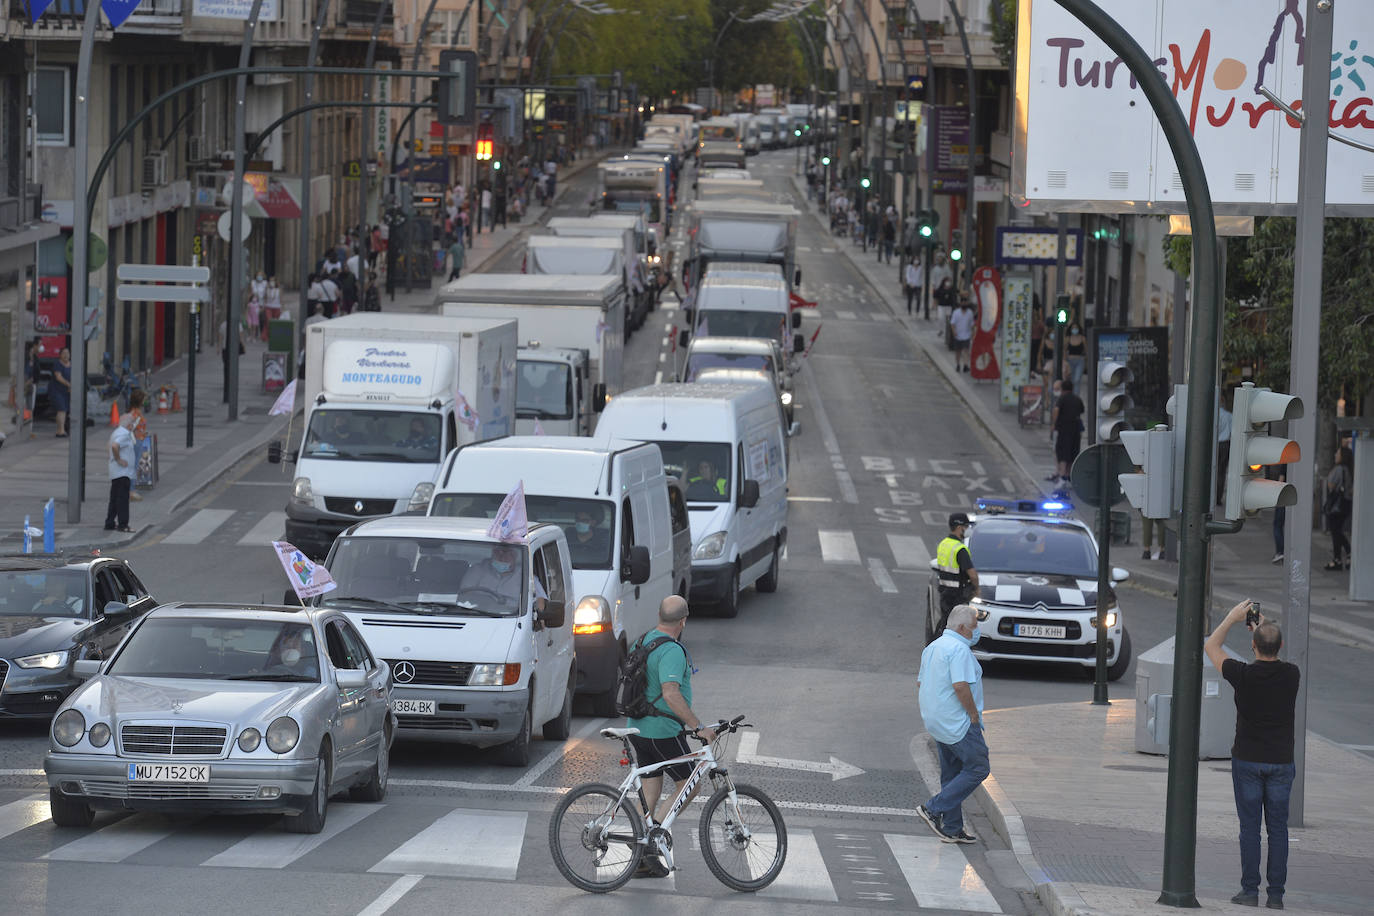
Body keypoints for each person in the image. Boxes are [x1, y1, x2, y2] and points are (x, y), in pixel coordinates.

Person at [1204, 600, 1300, 910]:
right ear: (1281, 645)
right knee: (1278, 829)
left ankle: (1249, 890)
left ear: (1252, 646)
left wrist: (1232, 618)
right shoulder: (1291, 675)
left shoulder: (1241, 674)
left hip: (1247, 759)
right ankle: (1276, 895)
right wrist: (1264, 632)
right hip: (1281, 761)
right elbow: (1274, 656)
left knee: (1250, 828)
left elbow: (1211, 646)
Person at [626, 595, 716, 877]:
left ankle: (641, 855)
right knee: (691, 783)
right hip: (663, 731)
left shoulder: (642, 641)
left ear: (660, 615)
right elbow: (670, 693)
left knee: (651, 790)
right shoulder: (672, 651)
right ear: (683, 621)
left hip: (638, 728)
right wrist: (698, 726)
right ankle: (651, 842)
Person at [916, 603, 987, 845]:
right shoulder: (959, 651)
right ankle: (933, 808)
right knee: (978, 767)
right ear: (960, 627)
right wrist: (973, 715)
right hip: (959, 723)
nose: (976, 631)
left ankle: (953, 827)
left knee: (952, 773)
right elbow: (960, 686)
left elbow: (921, 683)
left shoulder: (933, 648)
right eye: (973, 627)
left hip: (936, 722)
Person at [934, 513, 979, 634]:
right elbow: (973, 575)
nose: (968, 530)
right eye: (966, 527)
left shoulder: (943, 544)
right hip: (957, 596)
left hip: (944, 593)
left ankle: (938, 646)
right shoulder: (960, 549)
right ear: (960, 528)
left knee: (945, 625)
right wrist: (977, 589)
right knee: (956, 628)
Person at [1323, 446, 1354, 570]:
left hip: (1337, 506)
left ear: (1342, 456)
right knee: (1338, 531)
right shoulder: (1349, 469)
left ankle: (1338, 559)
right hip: (1345, 504)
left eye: (1338, 453)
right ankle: (1345, 555)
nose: (1335, 454)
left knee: (1336, 532)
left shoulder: (1338, 469)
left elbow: (1331, 485)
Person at [105, 414, 136, 532]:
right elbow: (114, 446)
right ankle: (123, 524)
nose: (133, 425)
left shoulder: (116, 432)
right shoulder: (124, 434)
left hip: (115, 471)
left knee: (114, 498)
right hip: (123, 472)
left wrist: (113, 458)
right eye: (132, 423)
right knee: (122, 499)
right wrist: (118, 459)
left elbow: (109, 445)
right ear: (129, 425)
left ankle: (109, 522)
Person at [1049, 379, 1084, 483]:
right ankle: (1069, 474)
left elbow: (1056, 410)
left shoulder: (1062, 398)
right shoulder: (1077, 399)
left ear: (1063, 389)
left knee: (1062, 451)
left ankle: (1062, 474)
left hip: (1063, 429)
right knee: (1073, 451)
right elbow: (1081, 411)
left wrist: (1053, 424)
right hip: (1075, 430)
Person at [950, 298, 976, 372]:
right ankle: (958, 364)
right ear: (960, 303)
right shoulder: (956, 312)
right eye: (963, 302)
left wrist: (973, 332)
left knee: (966, 351)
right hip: (958, 335)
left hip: (967, 335)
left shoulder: (970, 313)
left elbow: (972, 324)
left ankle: (965, 365)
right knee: (958, 351)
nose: (964, 304)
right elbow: (952, 323)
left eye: (965, 302)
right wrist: (954, 332)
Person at [1216, 394, 1233, 507]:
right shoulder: (1229, 416)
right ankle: (1218, 497)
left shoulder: (1214, 415)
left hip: (1215, 444)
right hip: (1225, 444)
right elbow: (1232, 431)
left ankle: (1211, 495)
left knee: (1212, 470)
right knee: (1221, 472)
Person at [51, 347, 72, 437]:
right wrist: (68, 384)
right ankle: (61, 431)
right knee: (61, 410)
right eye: (64, 353)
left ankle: (59, 430)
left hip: (66, 392)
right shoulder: (58, 364)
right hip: (57, 390)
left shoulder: (71, 364)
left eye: (67, 353)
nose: (66, 355)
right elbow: (58, 377)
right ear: (60, 355)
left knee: (64, 410)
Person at [1065, 323, 1086, 390]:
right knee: (1071, 380)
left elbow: (1086, 350)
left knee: (1077, 380)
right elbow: (1064, 350)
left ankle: (1076, 396)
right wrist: (1065, 361)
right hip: (1070, 361)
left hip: (1080, 361)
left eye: (1076, 328)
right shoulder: (1068, 338)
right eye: (1073, 328)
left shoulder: (1083, 338)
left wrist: (1085, 359)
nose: (1075, 329)